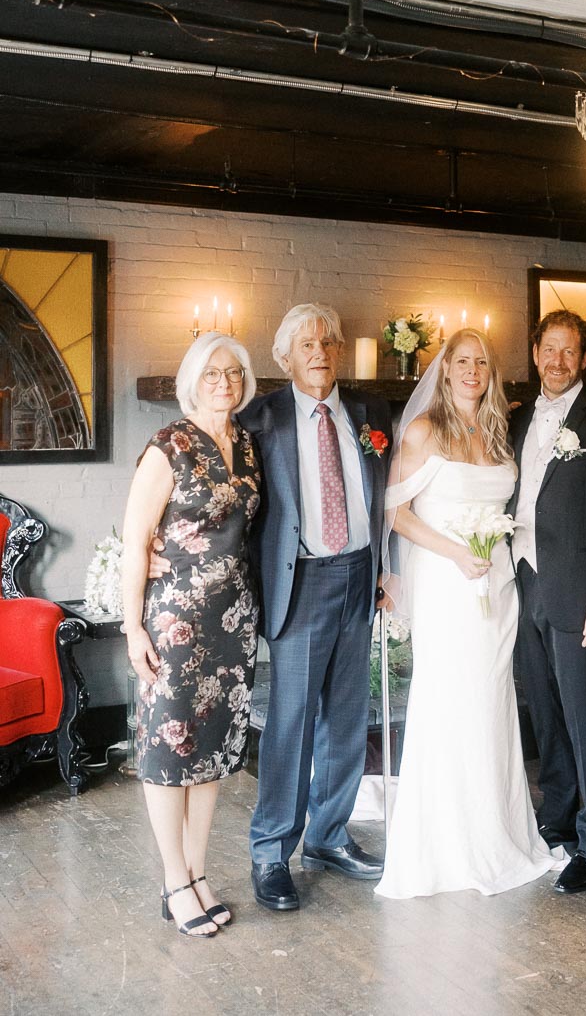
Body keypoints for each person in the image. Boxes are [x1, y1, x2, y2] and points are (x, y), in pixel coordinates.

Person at [376, 328, 559, 898]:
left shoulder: (500, 432)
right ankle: (448, 842)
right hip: (447, 581)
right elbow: (396, 512)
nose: (472, 370)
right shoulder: (424, 430)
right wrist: (456, 553)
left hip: (498, 585)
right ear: (446, 368)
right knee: (450, 699)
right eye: (462, 361)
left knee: (492, 701)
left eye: (482, 361)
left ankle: (497, 831)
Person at [240, 304, 391, 910]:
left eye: (328, 342)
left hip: (359, 574)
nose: (320, 353)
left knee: (348, 718)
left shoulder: (370, 413)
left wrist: (386, 570)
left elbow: (388, 497)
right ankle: (271, 849)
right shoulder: (260, 419)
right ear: (285, 357)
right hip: (299, 581)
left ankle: (328, 837)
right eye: (307, 344)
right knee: (292, 720)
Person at [122, 332, 260, 938]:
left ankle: (198, 872)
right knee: (167, 747)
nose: (224, 383)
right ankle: (174, 882)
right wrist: (132, 627)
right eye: (212, 373)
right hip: (175, 621)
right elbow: (136, 541)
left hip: (233, 618)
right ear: (191, 382)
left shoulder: (247, 443)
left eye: (233, 373)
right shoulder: (169, 446)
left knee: (211, 750)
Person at [507, 309, 586, 895]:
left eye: (568, 351)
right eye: (548, 349)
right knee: (544, 712)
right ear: (535, 353)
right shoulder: (516, 419)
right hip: (522, 580)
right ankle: (556, 816)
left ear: (584, 358)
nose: (557, 361)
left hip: (581, 593)